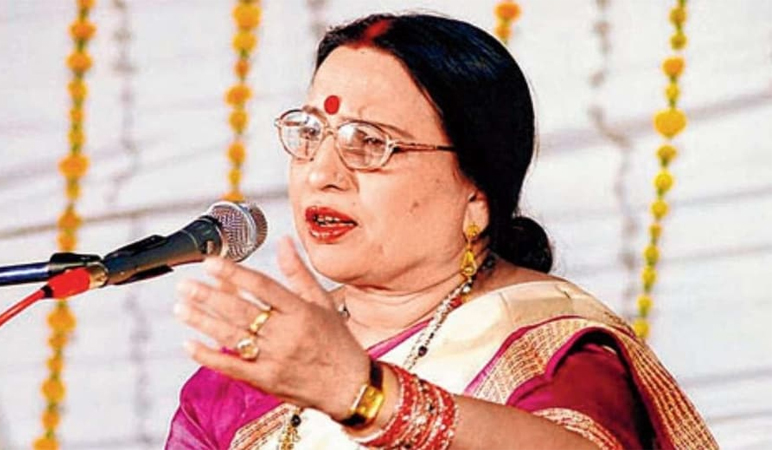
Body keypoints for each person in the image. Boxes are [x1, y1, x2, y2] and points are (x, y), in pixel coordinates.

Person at [165, 12, 716, 450]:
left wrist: (365, 397)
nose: (321, 173)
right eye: (310, 133)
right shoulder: (250, 374)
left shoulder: (547, 352)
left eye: (369, 142)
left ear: (476, 196)